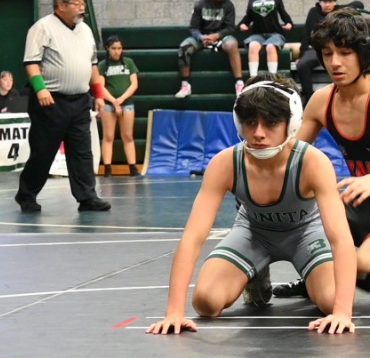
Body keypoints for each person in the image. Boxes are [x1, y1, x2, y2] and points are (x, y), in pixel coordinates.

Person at [146, 74, 357, 336]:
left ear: (291, 123)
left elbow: (340, 238)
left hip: (306, 233)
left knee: (332, 300)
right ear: (239, 122)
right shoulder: (225, 164)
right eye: (250, 122)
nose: (258, 133)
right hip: (253, 232)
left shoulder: (313, 162)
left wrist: (342, 312)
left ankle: (310, 275)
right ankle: (255, 272)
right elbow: (193, 238)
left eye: (270, 123)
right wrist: (174, 312)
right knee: (206, 302)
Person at [273, 8, 370, 304]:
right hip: (350, 206)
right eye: (327, 54)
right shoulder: (322, 101)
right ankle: (315, 272)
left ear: (364, 55)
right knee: (285, 212)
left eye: (345, 53)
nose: (335, 63)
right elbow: (289, 157)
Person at [13, 0, 111, 213]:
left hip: (80, 100)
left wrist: (98, 95)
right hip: (50, 101)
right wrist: (41, 89)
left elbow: (93, 66)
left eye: (83, 3)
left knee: (82, 152)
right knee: (43, 151)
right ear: (60, 5)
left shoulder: (85, 30)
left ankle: (87, 197)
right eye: (76, 4)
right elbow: (31, 62)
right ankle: (26, 195)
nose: (82, 8)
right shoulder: (42, 28)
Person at [175, 0, 244, 98]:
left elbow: (230, 28)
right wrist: (201, 37)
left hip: (221, 36)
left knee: (232, 45)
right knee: (184, 48)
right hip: (203, 37)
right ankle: (185, 85)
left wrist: (216, 36)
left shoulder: (228, 5)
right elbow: (193, 28)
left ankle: (239, 83)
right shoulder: (200, 5)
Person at [297, 0, 364, 105]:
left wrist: (343, 9)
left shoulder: (340, 11)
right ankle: (309, 98)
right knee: (302, 65)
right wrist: (301, 55)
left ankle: (350, 95)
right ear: (319, 2)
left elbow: (359, 4)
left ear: (335, 2)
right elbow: (306, 34)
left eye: (331, 1)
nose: (327, 5)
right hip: (317, 49)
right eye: (324, 2)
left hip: (337, 48)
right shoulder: (313, 12)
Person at [98, 36, 140, 177]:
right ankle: (107, 168)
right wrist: (113, 101)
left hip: (127, 104)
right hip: (109, 104)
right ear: (108, 49)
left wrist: (121, 99)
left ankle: (133, 167)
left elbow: (134, 84)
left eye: (119, 48)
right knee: (108, 136)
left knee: (128, 136)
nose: (117, 51)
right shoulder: (103, 65)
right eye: (113, 48)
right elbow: (100, 86)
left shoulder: (129, 63)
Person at [238, 0, 293, 78]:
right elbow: (248, 17)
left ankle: (272, 77)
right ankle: (253, 77)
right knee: (253, 46)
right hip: (257, 34)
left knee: (270, 47)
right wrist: (243, 24)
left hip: (274, 34)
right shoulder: (252, 0)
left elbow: (283, 13)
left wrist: (289, 23)